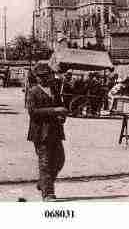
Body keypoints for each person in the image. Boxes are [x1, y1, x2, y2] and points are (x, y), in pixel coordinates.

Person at [26, 63, 68, 201]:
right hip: (40, 132)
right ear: (37, 77)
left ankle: (43, 183)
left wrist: (62, 116)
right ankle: (48, 193)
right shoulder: (33, 91)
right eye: (41, 76)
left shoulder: (54, 90)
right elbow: (33, 112)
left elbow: (60, 106)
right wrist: (54, 111)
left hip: (55, 131)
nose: (44, 78)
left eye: (46, 75)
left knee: (59, 160)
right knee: (45, 162)